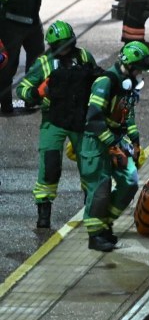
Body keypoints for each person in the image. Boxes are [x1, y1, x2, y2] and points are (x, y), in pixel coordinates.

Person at [16, 21, 98, 228]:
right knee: (50, 166)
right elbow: (22, 89)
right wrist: (36, 93)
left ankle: (91, 207)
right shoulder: (43, 62)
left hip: (81, 119)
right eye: (61, 45)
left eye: (68, 43)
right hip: (54, 120)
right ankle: (44, 212)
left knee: (89, 165)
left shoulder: (84, 57)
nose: (66, 49)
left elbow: (98, 78)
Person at [81, 41, 149, 252]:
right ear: (130, 65)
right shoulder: (106, 82)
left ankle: (105, 222)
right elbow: (94, 118)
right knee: (100, 189)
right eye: (139, 69)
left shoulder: (128, 84)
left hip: (116, 139)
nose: (141, 74)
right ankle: (95, 235)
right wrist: (112, 145)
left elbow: (127, 114)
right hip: (96, 141)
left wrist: (135, 141)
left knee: (130, 182)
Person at [0, 0, 44, 115]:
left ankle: (30, 98)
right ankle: (5, 103)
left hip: (32, 19)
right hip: (11, 22)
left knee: (37, 61)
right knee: (8, 65)